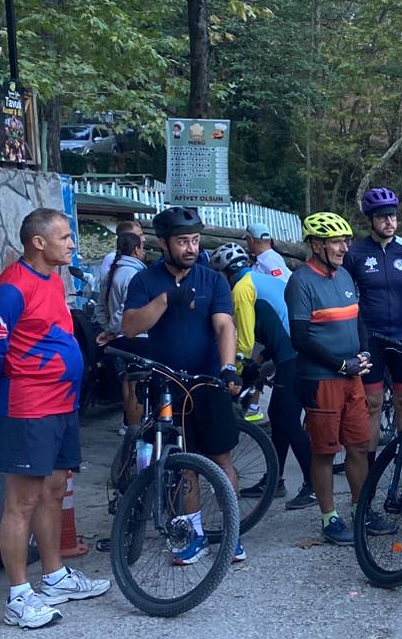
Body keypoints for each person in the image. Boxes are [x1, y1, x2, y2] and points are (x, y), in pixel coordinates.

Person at [0, 208, 109, 628]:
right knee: (21, 502)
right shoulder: (10, 289)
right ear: (38, 242)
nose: (72, 244)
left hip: (62, 403)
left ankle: (55, 577)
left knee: (53, 490)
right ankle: (18, 596)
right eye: (65, 237)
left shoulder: (53, 279)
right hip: (28, 408)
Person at [122, 206, 245, 563]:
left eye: (194, 240)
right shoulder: (145, 281)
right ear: (163, 243)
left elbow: (224, 325)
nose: (191, 248)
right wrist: (164, 300)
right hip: (167, 385)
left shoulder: (212, 280)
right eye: (182, 241)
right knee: (183, 461)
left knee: (221, 458)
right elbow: (130, 326)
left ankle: (232, 533)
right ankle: (194, 535)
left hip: (207, 381)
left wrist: (228, 367)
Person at [285, 211, 387, 543]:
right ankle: (329, 519)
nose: (344, 248)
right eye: (337, 242)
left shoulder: (343, 276)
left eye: (345, 241)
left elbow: (358, 319)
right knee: (325, 451)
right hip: (321, 379)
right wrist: (342, 365)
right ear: (317, 245)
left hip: (352, 377)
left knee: (359, 445)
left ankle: (361, 511)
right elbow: (300, 338)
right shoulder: (301, 281)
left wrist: (364, 352)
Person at [210, 242, 315, 512]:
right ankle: (274, 480)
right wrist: (262, 357)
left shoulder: (240, 289)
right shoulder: (262, 279)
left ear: (224, 274)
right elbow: (278, 321)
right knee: (279, 418)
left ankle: (314, 485)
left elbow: (245, 341)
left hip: (292, 356)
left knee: (288, 420)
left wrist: (235, 370)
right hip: (299, 350)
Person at [345, 188, 402, 443]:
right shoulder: (355, 253)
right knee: (373, 403)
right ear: (370, 220)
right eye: (382, 217)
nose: (389, 222)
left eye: (393, 216)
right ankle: (369, 463)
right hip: (372, 337)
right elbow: (345, 294)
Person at [98, 229, 149, 431]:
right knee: (138, 383)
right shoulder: (134, 274)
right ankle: (135, 428)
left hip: (120, 338)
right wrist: (112, 328)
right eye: (143, 247)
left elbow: (101, 307)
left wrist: (108, 329)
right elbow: (126, 309)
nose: (144, 251)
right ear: (136, 250)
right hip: (138, 336)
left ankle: (128, 424)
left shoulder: (111, 273)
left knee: (128, 380)